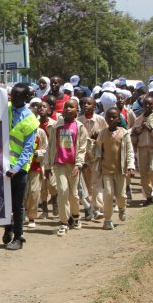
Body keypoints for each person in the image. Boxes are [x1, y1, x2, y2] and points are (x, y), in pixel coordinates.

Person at [2, 83, 38, 251]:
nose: (13, 98)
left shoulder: (31, 120)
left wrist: (16, 168)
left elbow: (28, 148)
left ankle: (18, 237)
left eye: (17, 96)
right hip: (2, 165)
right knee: (4, 202)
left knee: (17, 205)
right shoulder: (6, 107)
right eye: (12, 94)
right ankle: (7, 228)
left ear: (26, 98)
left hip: (19, 169)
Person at [45, 98, 89, 237]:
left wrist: (78, 164)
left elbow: (82, 148)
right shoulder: (57, 126)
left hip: (73, 165)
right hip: (59, 164)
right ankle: (63, 223)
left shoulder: (80, 127)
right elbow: (50, 145)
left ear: (77, 110)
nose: (69, 109)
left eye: (72, 107)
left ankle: (76, 215)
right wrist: (47, 165)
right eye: (66, 107)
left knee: (73, 194)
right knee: (63, 191)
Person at [95, 107, 135, 230]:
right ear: (105, 118)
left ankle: (122, 207)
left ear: (119, 119)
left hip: (120, 170)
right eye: (109, 116)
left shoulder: (124, 133)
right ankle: (107, 220)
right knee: (108, 194)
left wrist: (130, 166)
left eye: (114, 117)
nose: (111, 119)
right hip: (106, 170)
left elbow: (129, 151)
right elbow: (97, 150)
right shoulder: (102, 134)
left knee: (121, 195)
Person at [131, 93, 153, 206]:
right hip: (142, 148)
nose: (147, 106)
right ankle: (148, 196)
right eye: (146, 104)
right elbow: (134, 133)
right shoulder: (139, 118)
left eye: (150, 104)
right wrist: (140, 129)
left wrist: (150, 128)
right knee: (143, 174)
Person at [77, 96, 107, 221]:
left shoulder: (100, 120)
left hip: (96, 155)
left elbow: (106, 135)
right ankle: (88, 208)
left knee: (96, 182)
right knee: (85, 183)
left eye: (89, 104)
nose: (86, 106)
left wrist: (98, 136)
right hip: (83, 155)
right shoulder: (78, 121)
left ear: (94, 106)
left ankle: (97, 208)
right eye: (83, 104)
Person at [24, 99, 49, 228]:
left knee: (34, 192)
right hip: (21, 167)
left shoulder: (41, 132)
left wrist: (38, 153)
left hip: (35, 167)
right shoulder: (20, 131)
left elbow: (45, 148)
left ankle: (32, 217)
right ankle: (22, 213)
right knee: (23, 192)